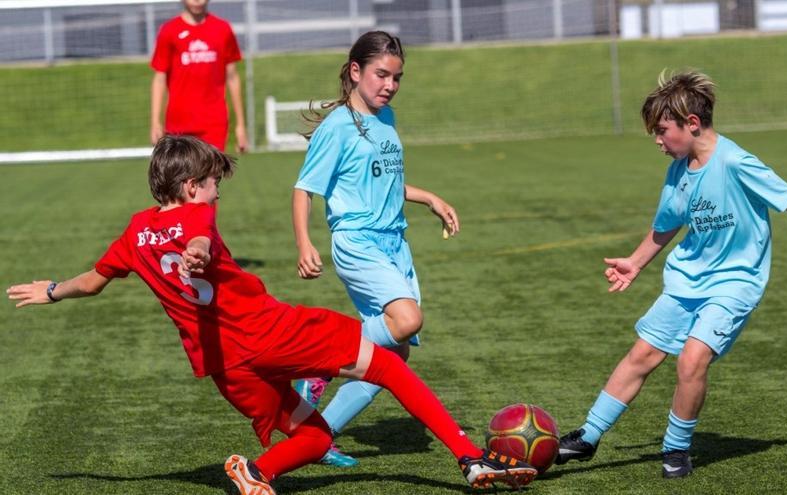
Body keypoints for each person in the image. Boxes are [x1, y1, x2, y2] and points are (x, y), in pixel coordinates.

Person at [6, 135, 535, 495]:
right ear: (191, 187)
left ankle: (254, 471)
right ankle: (471, 458)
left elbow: (93, 282)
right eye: (213, 183)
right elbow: (199, 235)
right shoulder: (198, 213)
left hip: (227, 368)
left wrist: (52, 290)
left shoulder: (133, 233)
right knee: (389, 367)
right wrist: (196, 248)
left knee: (317, 439)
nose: (217, 191)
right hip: (272, 333)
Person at [555, 71, 787, 479]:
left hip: (734, 283)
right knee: (642, 355)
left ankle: (676, 448)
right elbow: (668, 223)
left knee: (691, 360)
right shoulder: (678, 171)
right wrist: (636, 262)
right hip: (687, 280)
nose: (657, 140)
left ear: (691, 123)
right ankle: (588, 436)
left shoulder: (736, 161)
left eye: (662, 130)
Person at [291, 31, 460, 467]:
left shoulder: (387, 119)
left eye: (397, 77)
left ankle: (317, 436)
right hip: (357, 242)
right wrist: (305, 243)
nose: (389, 85)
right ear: (355, 72)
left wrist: (429, 198)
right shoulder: (337, 127)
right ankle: (318, 364)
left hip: (393, 243)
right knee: (407, 319)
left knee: (391, 355)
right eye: (381, 75)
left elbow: (381, 180)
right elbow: (304, 188)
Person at [150, 0, 248, 152]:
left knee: (210, 175)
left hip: (214, 123)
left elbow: (233, 77)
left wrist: (240, 125)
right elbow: (159, 79)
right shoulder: (169, 30)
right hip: (178, 124)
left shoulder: (223, 29)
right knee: (182, 175)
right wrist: (155, 121)